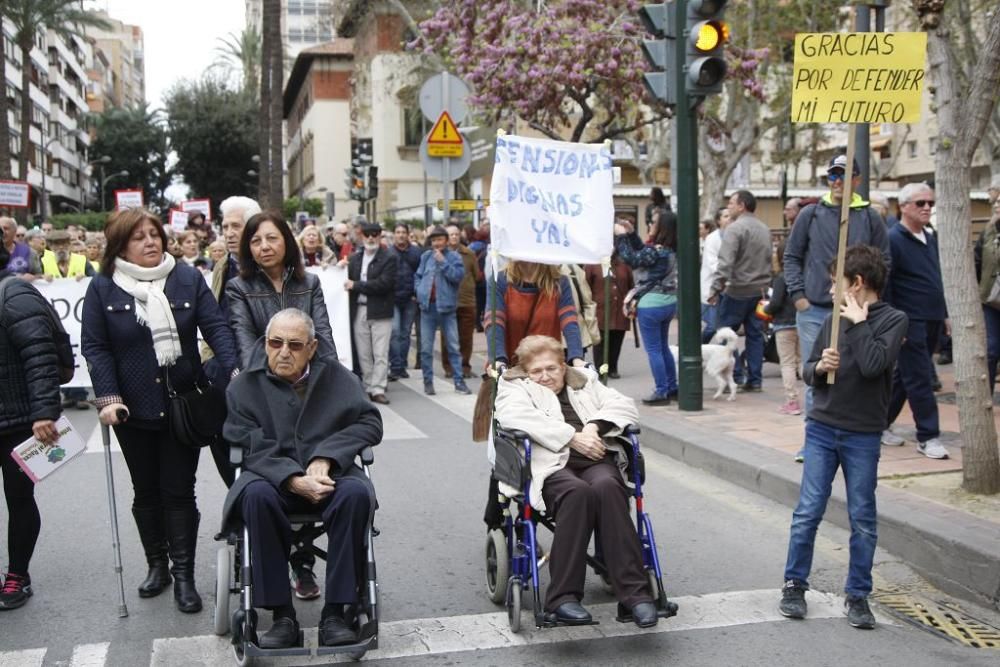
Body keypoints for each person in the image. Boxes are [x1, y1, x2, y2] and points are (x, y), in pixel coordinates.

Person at [81, 207, 237, 614]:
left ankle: (184, 575)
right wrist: (108, 396)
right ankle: (157, 567)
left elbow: (216, 327)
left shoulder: (186, 276)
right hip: (129, 410)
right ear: (121, 244)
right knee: (145, 492)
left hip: (181, 404)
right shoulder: (103, 286)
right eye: (139, 236)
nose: (150, 241)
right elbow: (96, 347)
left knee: (179, 491)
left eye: (154, 234)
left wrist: (235, 370)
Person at [221, 309, 379, 649]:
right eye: (276, 342)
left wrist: (328, 456)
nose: (284, 352)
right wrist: (291, 478)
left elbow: (369, 423)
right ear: (265, 343)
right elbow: (246, 440)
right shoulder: (243, 386)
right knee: (255, 497)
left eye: (295, 344)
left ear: (312, 347)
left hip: (330, 476)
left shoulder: (339, 378)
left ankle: (336, 612)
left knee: (355, 495)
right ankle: (282, 616)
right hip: (273, 478)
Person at [779, 245, 907, 631]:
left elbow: (872, 365)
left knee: (863, 518)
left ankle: (858, 595)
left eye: (837, 282)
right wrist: (819, 366)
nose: (830, 288)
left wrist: (858, 322)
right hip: (821, 426)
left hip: (863, 434)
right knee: (808, 512)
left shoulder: (893, 319)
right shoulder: (831, 319)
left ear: (858, 283)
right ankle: (793, 584)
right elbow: (807, 370)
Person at [495, 335, 659, 628]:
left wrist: (594, 427)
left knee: (609, 487)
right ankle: (562, 599)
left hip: (595, 457)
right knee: (577, 493)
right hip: (550, 464)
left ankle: (634, 596)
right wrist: (572, 437)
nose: (545, 376)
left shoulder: (584, 381)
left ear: (563, 366)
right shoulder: (513, 387)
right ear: (526, 372)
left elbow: (623, 405)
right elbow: (514, 417)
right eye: (536, 371)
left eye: (551, 369)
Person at [783, 155, 890, 457]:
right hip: (815, 309)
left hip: (857, 311)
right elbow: (792, 256)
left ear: (857, 179)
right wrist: (799, 296)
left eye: (844, 175)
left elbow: (884, 262)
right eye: (833, 176)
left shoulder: (870, 216)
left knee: (854, 371)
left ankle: (851, 437)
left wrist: (872, 304)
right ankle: (814, 441)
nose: (838, 181)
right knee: (818, 372)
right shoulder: (811, 214)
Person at [0, 244, 63, 610]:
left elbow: (40, 354)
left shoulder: (14, 293)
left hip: (20, 419)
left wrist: (44, 412)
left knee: (18, 498)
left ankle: (17, 576)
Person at [881, 183, 949, 459]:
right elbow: (887, 286)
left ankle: (878, 424)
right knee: (920, 376)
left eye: (930, 204)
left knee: (904, 376)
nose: (926, 208)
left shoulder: (929, 237)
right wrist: (894, 324)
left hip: (932, 317)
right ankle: (928, 436)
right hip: (909, 320)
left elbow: (936, 279)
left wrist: (944, 314)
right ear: (904, 206)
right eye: (920, 203)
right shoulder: (893, 238)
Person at [226, 211, 337, 371]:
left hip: (307, 378)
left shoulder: (310, 283)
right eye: (256, 241)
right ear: (248, 248)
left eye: (272, 238)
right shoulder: (238, 288)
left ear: (287, 241)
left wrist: (330, 377)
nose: (264, 247)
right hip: (265, 379)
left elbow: (323, 335)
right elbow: (246, 345)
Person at [708, 190, 772, 391]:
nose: (729, 206)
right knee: (755, 336)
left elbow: (725, 262)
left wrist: (715, 288)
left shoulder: (735, 229)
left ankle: (734, 376)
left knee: (725, 333)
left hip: (737, 290)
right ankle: (755, 379)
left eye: (732, 203)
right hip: (760, 290)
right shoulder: (764, 229)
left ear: (742, 205)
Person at [615, 211, 679, 405]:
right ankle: (672, 387)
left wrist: (620, 236)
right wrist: (632, 234)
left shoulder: (656, 251)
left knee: (654, 350)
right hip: (668, 302)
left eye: (654, 222)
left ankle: (660, 391)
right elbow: (643, 252)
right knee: (662, 347)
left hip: (651, 304)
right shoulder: (670, 250)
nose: (651, 224)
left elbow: (631, 258)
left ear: (662, 228)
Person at [484, 260, 585, 369]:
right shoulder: (499, 281)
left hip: (545, 364)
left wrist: (577, 358)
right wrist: (498, 359)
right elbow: (494, 321)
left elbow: (569, 321)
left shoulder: (559, 282)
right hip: (509, 364)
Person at [414, 226, 470, 396]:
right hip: (427, 308)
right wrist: (419, 290)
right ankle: (428, 382)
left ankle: (459, 382)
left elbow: (457, 277)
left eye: (439, 240)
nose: (436, 243)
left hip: (447, 308)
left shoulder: (454, 257)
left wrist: (443, 263)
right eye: (433, 240)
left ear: (446, 241)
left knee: (453, 346)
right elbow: (418, 275)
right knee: (425, 348)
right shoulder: (425, 256)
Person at [347, 223, 397, 404]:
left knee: (381, 353)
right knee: (364, 353)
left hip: (381, 310)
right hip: (359, 309)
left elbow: (384, 284)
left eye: (374, 234)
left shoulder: (389, 257)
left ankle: (378, 388)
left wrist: (356, 285)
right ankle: (368, 386)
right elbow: (346, 279)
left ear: (380, 236)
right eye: (367, 234)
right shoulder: (354, 258)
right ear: (361, 236)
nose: (370, 238)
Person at [765, 239, 801, 416]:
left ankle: (792, 401)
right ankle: (813, 398)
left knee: (787, 364)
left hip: (784, 324)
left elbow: (775, 303)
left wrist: (766, 308)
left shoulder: (781, 278)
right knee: (802, 361)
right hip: (801, 322)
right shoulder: (803, 275)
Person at [585, 250, 633, 379]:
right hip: (601, 311)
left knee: (616, 341)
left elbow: (631, 287)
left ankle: (612, 368)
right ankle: (602, 369)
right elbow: (586, 287)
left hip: (620, 311)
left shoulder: (624, 265)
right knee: (600, 343)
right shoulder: (593, 265)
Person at [440, 223, 480, 379]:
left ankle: (464, 366)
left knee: (465, 337)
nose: (454, 237)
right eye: (451, 234)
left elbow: (476, 275)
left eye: (456, 234)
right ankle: (449, 366)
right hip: (447, 301)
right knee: (447, 337)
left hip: (466, 301)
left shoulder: (469, 253)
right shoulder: (440, 254)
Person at [388, 223, 422, 381]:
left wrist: (416, 292)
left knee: (405, 333)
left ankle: (401, 365)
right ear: (394, 234)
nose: (400, 235)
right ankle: (396, 366)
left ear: (408, 234)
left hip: (410, 298)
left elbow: (420, 274)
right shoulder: (387, 252)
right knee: (394, 332)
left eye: (403, 232)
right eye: (398, 232)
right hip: (392, 298)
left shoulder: (416, 252)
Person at [975, 196, 1000, 393]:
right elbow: (977, 261)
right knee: (991, 350)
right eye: (996, 202)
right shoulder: (988, 232)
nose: (997, 205)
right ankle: (986, 396)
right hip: (990, 300)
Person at [700, 212, 724, 343]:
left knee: (723, 327)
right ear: (718, 221)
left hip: (727, 288)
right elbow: (713, 265)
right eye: (725, 216)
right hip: (712, 287)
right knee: (712, 326)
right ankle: (697, 348)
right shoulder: (712, 239)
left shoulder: (734, 235)